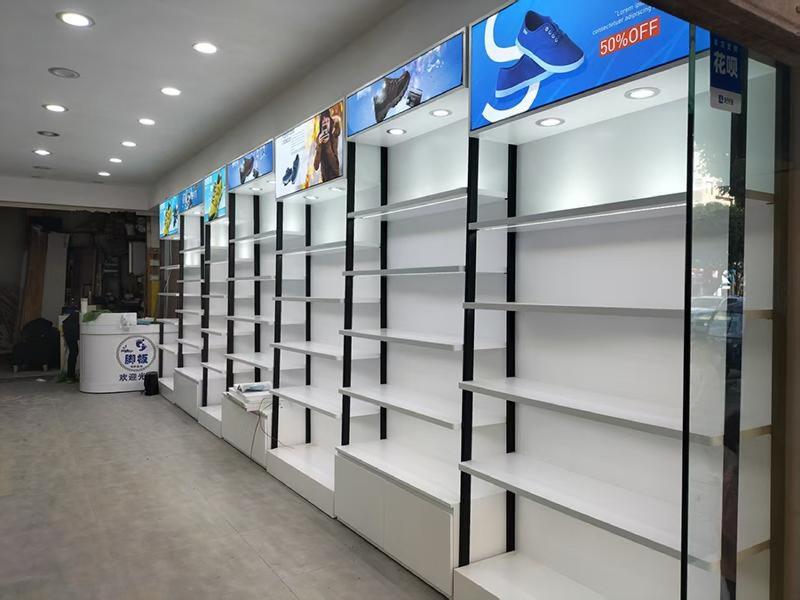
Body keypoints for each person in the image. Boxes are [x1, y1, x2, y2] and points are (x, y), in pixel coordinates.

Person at [313, 109, 341, 182]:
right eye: (323, 122)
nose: (325, 123)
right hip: (324, 179)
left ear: (330, 122)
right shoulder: (319, 138)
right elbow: (316, 166)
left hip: (335, 177)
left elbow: (335, 168)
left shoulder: (334, 134)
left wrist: (327, 144)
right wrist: (319, 145)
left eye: (327, 121)